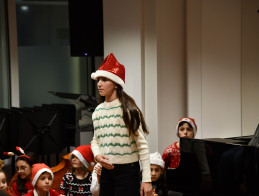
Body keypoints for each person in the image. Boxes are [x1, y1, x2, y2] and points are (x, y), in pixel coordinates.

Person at [90, 53, 152, 196]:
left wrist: (146, 180)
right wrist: (97, 155)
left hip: (128, 173)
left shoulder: (128, 110)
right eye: (98, 79)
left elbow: (142, 146)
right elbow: (95, 140)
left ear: (116, 84)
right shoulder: (98, 111)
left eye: (104, 79)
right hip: (106, 172)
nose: (99, 84)